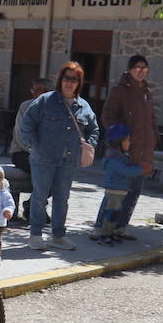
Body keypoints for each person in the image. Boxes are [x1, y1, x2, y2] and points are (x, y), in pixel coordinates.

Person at [18, 61, 99, 252]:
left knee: (62, 198)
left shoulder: (84, 106)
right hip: (43, 158)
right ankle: (35, 234)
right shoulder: (45, 101)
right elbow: (27, 124)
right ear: (60, 80)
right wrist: (34, 146)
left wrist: (89, 144)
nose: (69, 82)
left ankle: (58, 236)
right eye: (66, 78)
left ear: (79, 83)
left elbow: (94, 129)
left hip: (69, 161)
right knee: (40, 196)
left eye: (74, 79)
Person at [92, 54, 157, 241]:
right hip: (123, 152)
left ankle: (120, 227)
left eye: (145, 67)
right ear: (129, 69)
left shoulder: (146, 92)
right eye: (138, 67)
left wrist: (154, 137)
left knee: (134, 192)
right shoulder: (119, 91)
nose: (142, 71)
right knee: (115, 191)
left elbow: (151, 119)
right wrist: (121, 139)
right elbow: (107, 117)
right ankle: (100, 227)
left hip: (143, 151)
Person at [95, 124, 144, 245]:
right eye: (127, 140)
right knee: (111, 213)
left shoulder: (119, 157)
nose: (130, 143)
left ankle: (111, 233)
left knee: (115, 213)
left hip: (120, 190)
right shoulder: (113, 159)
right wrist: (140, 168)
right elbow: (126, 171)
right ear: (118, 142)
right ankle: (104, 235)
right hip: (114, 191)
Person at [10, 77, 51, 170]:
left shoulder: (54, 109)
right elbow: (20, 135)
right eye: (34, 90)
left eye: (40, 90)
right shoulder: (26, 107)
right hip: (23, 152)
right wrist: (36, 151)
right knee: (38, 165)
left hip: (47, 153)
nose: (36, 93)